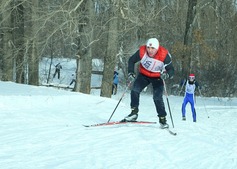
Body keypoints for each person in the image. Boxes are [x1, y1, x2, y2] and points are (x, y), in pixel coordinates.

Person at [121, 38, 174, 129]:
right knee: (135, 90)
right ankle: (134, 113)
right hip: (144, 74)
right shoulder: (142, 51)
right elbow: (131, 60)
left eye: (152, 48)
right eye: (148, 47)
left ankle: (162, 119)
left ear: (157, 48)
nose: (150, 50)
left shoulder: (164, 55)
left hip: (157, 77)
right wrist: (131, 72)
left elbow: (171, 70)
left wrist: (167, 75)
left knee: (157, 97)